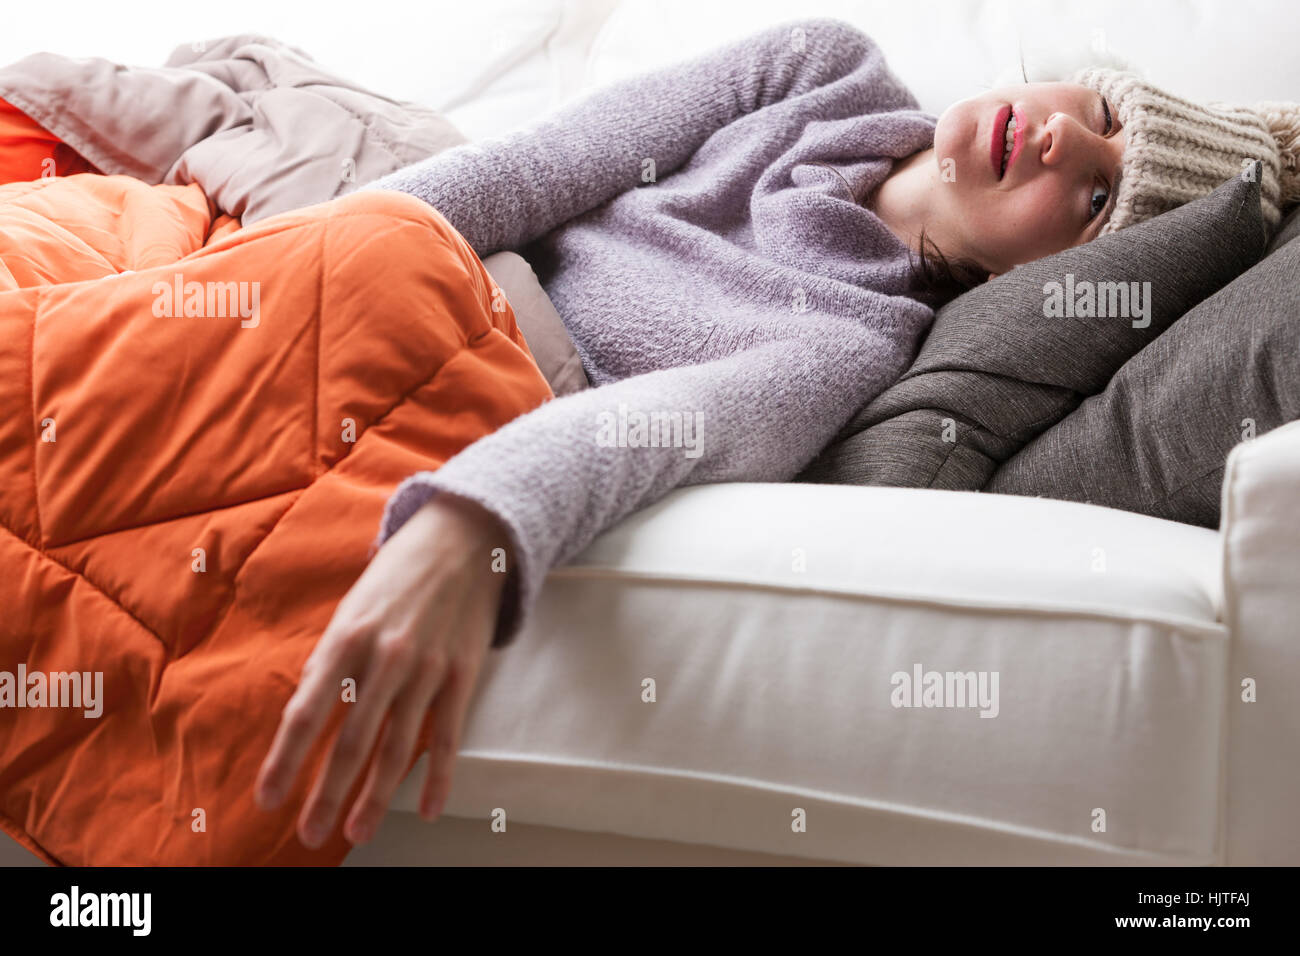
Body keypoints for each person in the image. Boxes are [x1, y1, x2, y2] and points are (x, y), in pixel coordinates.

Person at [252, 18, 1300, 850]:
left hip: (464, 364)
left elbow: (646, 430)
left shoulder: (854, 342)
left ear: (1030, 283)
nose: (1066, 137)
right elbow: (535, 170)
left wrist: (467, 527)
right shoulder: (821, 66)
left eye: (1094, 196)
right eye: (1104, 110)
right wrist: (272, 272)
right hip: (374, 254)